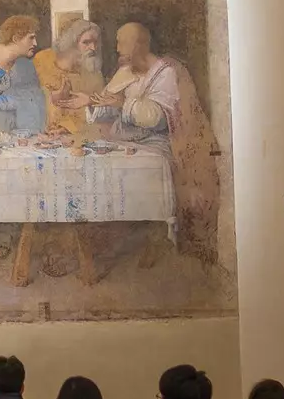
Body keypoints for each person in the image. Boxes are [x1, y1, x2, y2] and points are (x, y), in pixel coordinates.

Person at [87, 21, 220, 259]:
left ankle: (152, 241)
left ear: (137, 45)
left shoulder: (166, 72)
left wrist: (122, 104)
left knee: (137, 173)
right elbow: (107, 106)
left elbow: (157, 119)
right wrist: (88, 101)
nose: (117, 48)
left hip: (155, 145)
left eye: (121, 42)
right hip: (125, 142)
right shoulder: (126, 71)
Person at [33, 17, 105, 135]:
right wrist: (50, 96)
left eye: (95, 42)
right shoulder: (43, 59)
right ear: (71, 43)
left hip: (72, 137)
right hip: (38, 132)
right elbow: (27, 95)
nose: (93, 48)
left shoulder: (94, 73)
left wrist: (65, 129)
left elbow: (98, 114)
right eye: (86, 42)